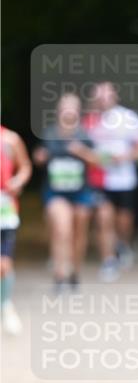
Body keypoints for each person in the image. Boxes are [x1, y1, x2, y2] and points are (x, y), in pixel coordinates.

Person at [33, 93, 98, 292]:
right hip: (55, 192)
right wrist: (40, 157)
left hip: (81, 192)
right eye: (65, 107)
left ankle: (74, 272)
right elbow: (38, 157)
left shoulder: (85, 135)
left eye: (72, 107)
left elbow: (97, 161)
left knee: (79, 234)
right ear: (58, 110)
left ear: (78, 111)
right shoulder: (49, 133)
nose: (68, 111)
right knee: (62, 229)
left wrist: (81, 152)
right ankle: (59, 274)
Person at [88, 81, 138, 281]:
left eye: (106, 94)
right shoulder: (88, 120)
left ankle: (123, 244)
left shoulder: (128, 117)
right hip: (99, 178)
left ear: (115, 96)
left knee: (124, 220)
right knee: (103, 218)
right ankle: (108, 261)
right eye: (99, 95)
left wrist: (126, 157)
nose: (103, 99)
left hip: (125, 179)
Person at [0, 125, 32, 333]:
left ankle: (6, 305)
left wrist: (18, 181)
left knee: (4, 263)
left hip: (4, 211)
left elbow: (25, 166)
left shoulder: (10, 139)